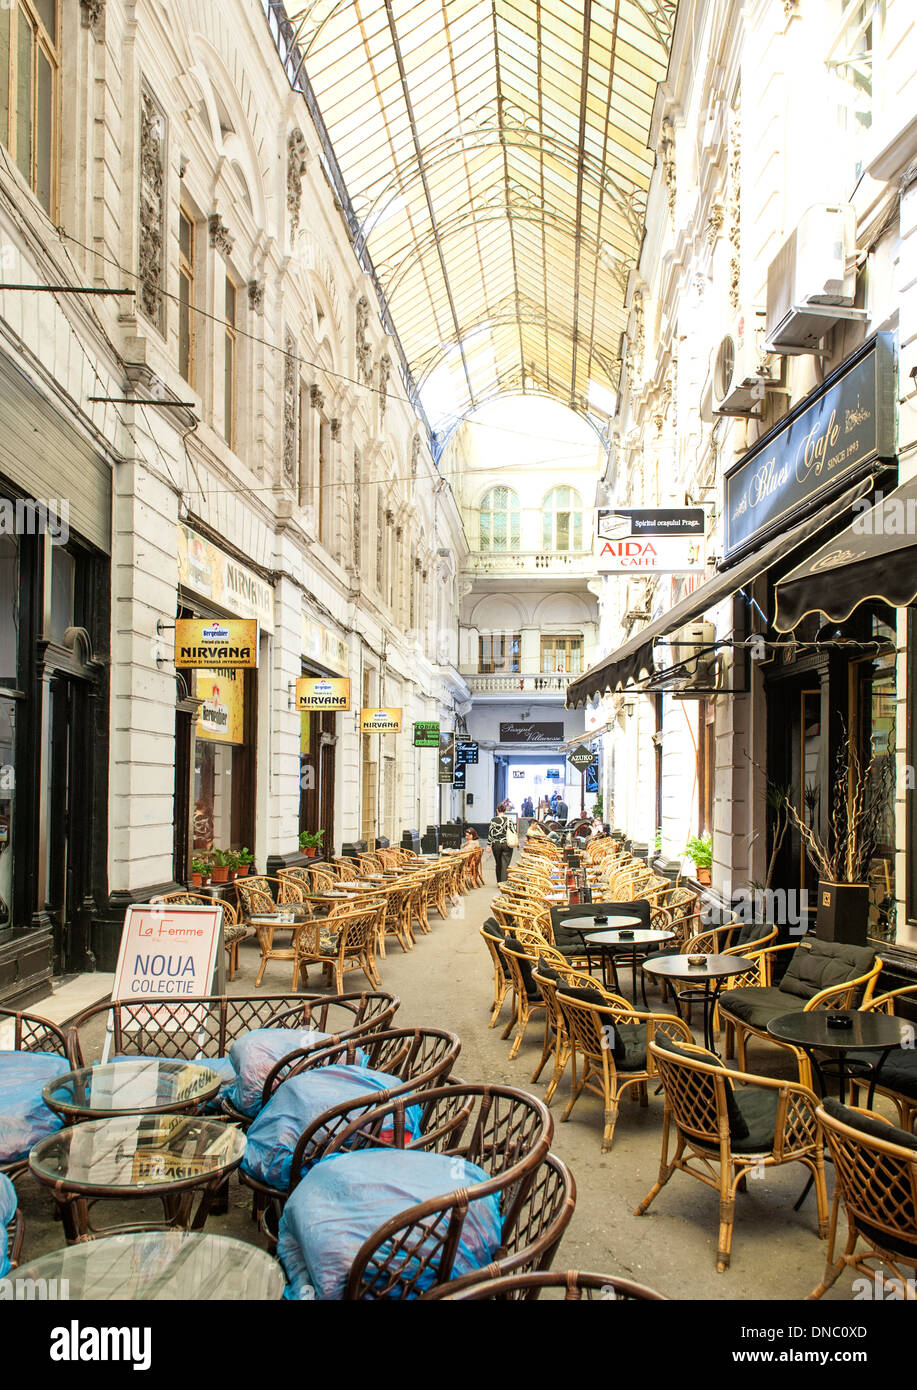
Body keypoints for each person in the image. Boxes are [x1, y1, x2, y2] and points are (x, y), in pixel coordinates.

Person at [488, 800, 515, 883]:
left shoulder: (493, 820)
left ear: (497, 810)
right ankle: (503, 882)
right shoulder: (509, 820)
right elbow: (513, 831)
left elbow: (490, 833)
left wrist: (488, 845)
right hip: (507, 844)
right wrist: (517, 843)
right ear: (505, 810)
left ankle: (499, 881)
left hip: (496, 844)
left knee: (498, 863)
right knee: (505, 864)